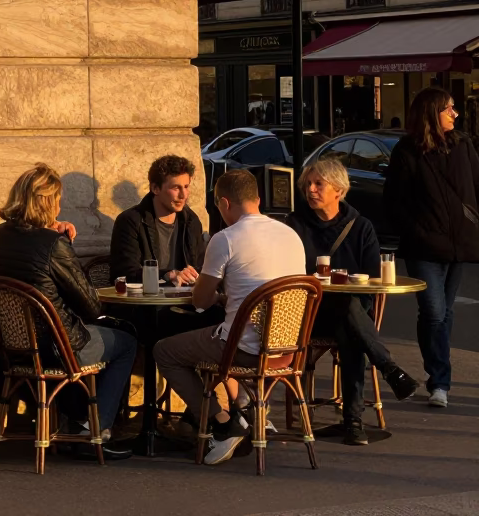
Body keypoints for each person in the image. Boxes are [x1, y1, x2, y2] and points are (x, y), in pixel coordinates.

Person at [0, 163, 137, 460]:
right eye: (58, 199)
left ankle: (74, 423)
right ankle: (94, 430)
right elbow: (90, 306)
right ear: (48, 202)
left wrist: (52, 235)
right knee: (126, 342)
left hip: (14, 351)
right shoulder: (53, 244)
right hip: (57, 348)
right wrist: (62, 243)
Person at [154, 169, 306, 465]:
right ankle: (250, 413)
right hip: (287, 349)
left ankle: (223, 424)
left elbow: (200, 300)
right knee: (213, 331)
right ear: (257, 199)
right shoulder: (290, 235)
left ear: (223, 203)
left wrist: (216, 296)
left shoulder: (226, 238)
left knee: (165, 351)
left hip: (243, 349)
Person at [287, 158, 418, 444]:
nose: (311, 189)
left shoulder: (361, 227)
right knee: (350, 319)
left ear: (339, 190)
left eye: (318, 184)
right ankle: (387, 371)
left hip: (351, 313)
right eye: (308, 184)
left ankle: (353, 422)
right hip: (308, 315)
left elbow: (372, 280)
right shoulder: (295, 225)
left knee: (349, 323)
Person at [383, 87, 479, 409]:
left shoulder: (463, 145)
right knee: (435, 312)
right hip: (424, 247)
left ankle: (439, 376)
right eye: (448, 108)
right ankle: (440, 382)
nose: (455, 114)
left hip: (458, 244)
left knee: (445, 312)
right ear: (431, 113)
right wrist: (417, 231)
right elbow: (394, 202)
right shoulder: (407, 151)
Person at [110, 154, 206, 286]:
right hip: (146, 303)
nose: (183, 195)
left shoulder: (192, 221)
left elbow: (202, 266)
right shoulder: (130, 221)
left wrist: (193, 275)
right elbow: (124, 274)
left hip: (187, 301)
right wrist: (167, 275)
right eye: (176, 188)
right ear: (155, 188)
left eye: (186, 186)